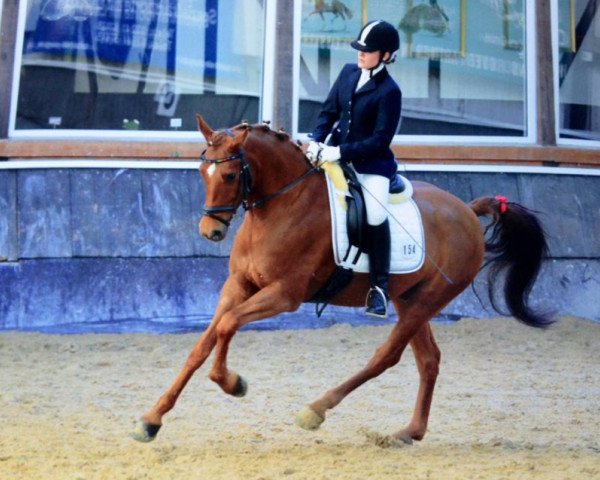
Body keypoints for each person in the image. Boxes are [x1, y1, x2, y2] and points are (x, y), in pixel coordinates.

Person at [306, 20, 402, 318]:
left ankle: (379, 289)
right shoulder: (348, 73)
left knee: (375, 213)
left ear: (385, 55)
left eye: (368, 50)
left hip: (371, 163)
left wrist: (340, 151)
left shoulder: (389, 91)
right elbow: (328, 111)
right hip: (333, 152)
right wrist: (315, 140)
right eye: (359, 49)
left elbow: (379, 140)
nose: (361, 54)